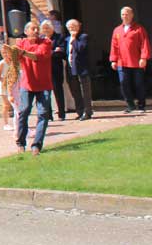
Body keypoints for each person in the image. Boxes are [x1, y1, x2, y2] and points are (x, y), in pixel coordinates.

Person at [10, 21, 53, 154]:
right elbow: (14, 59)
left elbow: (38, 56)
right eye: (32, 28)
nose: (36, 30)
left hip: (44, 85)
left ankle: (37, 145)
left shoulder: (46, 42)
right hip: (27, 85)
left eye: (37, 28)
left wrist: (24, 52)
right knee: (23, 112)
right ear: (26, 31)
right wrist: (11, 51)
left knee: (43, 114)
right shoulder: (21, 43)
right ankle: (20, 143)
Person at [109, 6, 150, 114]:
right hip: (122, 63)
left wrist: (143, 58)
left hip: (137, 62)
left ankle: (141, 105)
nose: (125, 16)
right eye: (122, 14)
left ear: (132, 15)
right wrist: (113, 60)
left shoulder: (139, 29)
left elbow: (144, 44)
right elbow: (114, 46)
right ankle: (130, 105)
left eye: (127, 14)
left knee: (139, 84)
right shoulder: (117, 30)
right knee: (124, 83)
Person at [61, 19, 93, 120]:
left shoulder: (83, 37)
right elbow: (65, 53)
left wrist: (74, 38)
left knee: (85, 91)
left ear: (78, 27)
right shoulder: (66, 39)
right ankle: (80, 111)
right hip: (71, 68)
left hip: (82, 68)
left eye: (74, 27)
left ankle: (87, 112)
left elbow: (80, 48)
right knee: (75, 91)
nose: (72, 29)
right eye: (70, 27)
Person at [45, 13, 68, 120]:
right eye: (44, 28)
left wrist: (49, 53)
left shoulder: (59, 37)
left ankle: (61, 114)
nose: (46, 30)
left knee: (58, 91)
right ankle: (48, 115)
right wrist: (54, 51)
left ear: (52, 28)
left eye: (48, 28)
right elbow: (39, 54)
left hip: (56, 68)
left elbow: (62, 53)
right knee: (46, 93)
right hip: (44, 70)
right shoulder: (41, 40)